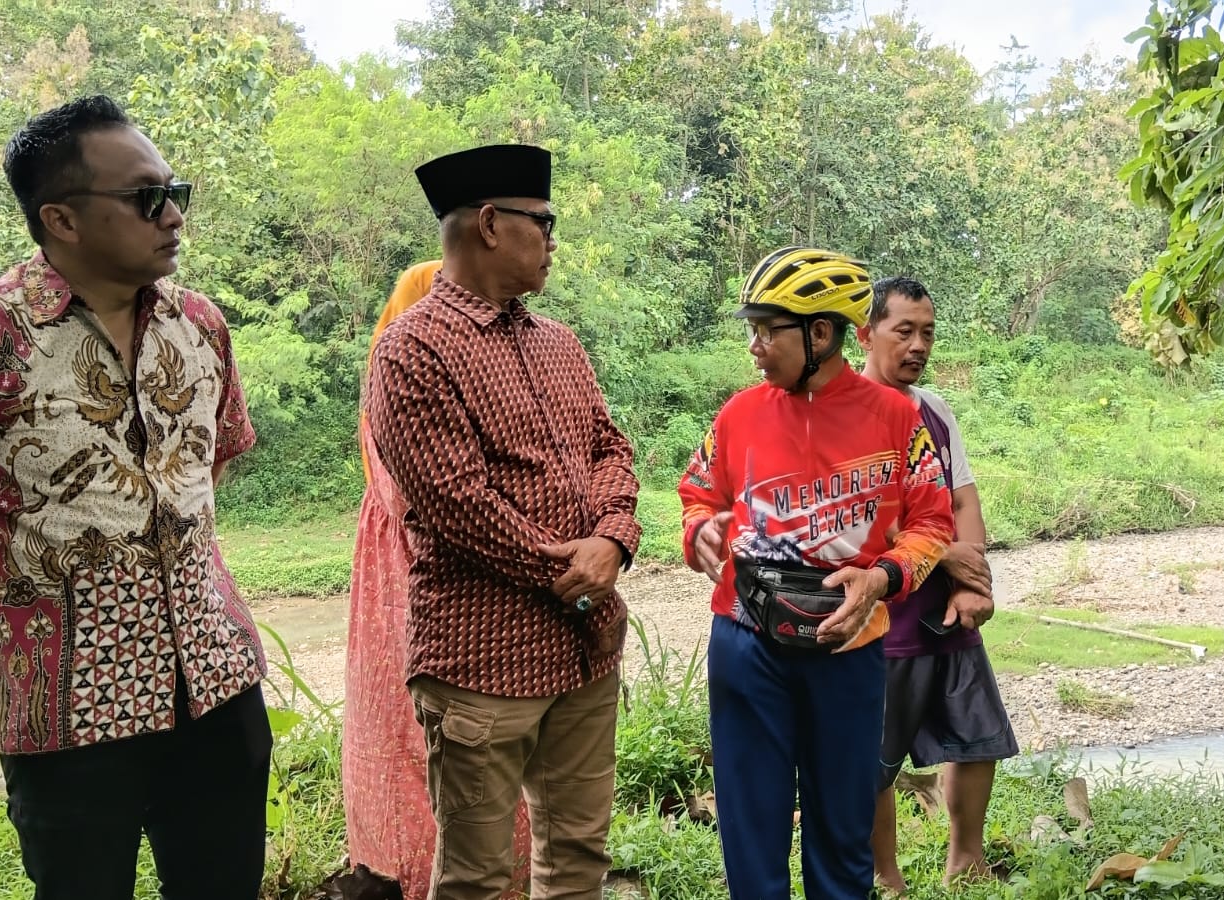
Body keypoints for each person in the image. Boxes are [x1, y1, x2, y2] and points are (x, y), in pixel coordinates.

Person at [0, 95, 270, 899]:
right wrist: (0, 596)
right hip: (69, 714)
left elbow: (213, 466)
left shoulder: (200, 323)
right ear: (60, 218)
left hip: (216, 685)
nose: (171, 216)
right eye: (144, 198)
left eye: (175, 193)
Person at [367, 144, 640, 900]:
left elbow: (609, 448)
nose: (553, 239)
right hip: (482, 664)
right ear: (491, 223)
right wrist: (577, 570)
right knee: (478, 879)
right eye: (543, 222)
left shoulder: (557, 341)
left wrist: (614, 538)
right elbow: (458, 504)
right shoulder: (412, 350)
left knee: (578, 855)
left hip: (583, 652)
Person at [679, 247, 956, 898]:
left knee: (841, 843)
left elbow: (933, 523)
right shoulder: (739, 414)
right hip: (746, 649)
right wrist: (700, 530)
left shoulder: (894, 417)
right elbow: (697, 493)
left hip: (847, 647)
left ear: (821, 334)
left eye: (765, 330)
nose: (753, 346)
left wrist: (882, 577)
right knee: (752, 839)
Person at [343, 259, 531, 899]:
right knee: (429, 743)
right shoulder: (401, 387)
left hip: (427, 583)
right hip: (422, 589)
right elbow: (429, 505)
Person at [858, 276, 1019, 890]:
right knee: (872, 758)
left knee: (978, 736)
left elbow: (964, 499)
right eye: (904, 331)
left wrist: (971, 580)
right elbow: (859, 516)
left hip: (946, 611)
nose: (918, 344)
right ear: (866, 333)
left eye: (927, 332)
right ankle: (887, 876)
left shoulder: (934, 410)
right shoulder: (845, 411)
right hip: (882, 616)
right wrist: (943, 552)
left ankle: (966, 857)